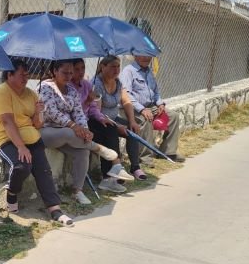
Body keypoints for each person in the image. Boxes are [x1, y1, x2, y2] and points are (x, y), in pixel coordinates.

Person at [0, 59, 75, 226]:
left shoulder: (31, 94)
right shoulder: (2, 92)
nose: (26, 79)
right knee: (21, 166)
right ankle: (12, 193)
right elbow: (7, 122)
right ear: (10, 75)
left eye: (27, 75)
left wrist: (38, 113)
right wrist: (21, 147)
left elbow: (38, 125)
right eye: (22, 75)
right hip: (7, 140)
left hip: (33, 139)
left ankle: (55, 209)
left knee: (44, 171)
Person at [39, 59, 121, 205]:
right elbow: (51, 112)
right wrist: (73, 126)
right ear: (54, 71)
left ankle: (77, 191)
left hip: (69, 133)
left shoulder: (71, 90)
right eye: (64, 72)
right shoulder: (46, 87)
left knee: (83, 151)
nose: (68, 76)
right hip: (47, 131)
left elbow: (79, 113)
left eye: (71, 73)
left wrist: (85, 130)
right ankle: (98, 148)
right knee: (69, 133)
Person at [68, 58, 136, 195]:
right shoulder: (68, 87)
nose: (81, 72)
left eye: (83, 68)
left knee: (109, 127)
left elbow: (93, 109)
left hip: (88, 120)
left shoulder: (86, 85)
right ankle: (112, 171)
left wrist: (101, 118)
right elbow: (73, 111)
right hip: (74, 124)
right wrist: (87, 100)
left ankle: (112, 173)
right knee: (106, 133)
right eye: (77, 69)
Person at [89, 56, 148, 184]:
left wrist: (132, 121)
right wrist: (117, 127)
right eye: (112, 66)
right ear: (102, 67)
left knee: (132, 130)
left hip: (114, 118)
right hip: (99, 122)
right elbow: (97, 113)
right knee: (111, 131)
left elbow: (126, 101)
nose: (116, 70)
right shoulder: (96, 84)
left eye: (118, 66)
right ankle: (114, 171)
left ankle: (135, 167)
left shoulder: (118, 81)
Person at [119, 54, 185, 163]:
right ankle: (144, 158)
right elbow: (126, 95)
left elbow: (155, 91)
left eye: (149, 55)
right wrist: (142, 110)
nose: (146, 58)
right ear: (135, 56)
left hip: (150, 107)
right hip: (132, 109)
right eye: (143, 55)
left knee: (173, 116)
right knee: (146, 119)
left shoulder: (149, 71)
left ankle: (168, 152)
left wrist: (160, 104)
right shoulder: (128, 71)